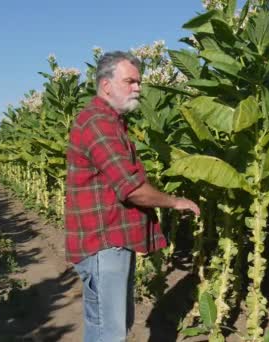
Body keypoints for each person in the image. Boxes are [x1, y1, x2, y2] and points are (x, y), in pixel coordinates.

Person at [65, 51, 200, 342]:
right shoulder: (98, 123)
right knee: (110, 332)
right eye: (130, 81)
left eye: (138, 82)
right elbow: (132, 189)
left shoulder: (109, 121)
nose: (138, 88)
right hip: (104, 242)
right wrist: (175, 201)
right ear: (106, 85)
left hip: (107, 240)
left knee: (104, 325)